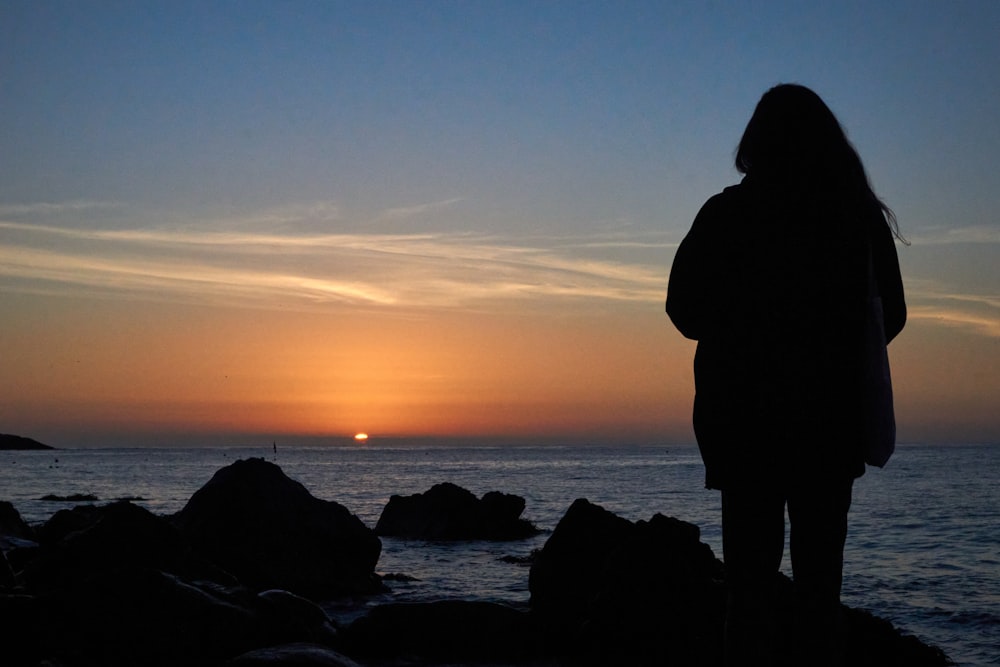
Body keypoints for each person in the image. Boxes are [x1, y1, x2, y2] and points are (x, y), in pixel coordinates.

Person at [665, 84, 906, 666]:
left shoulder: (727, 213)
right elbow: (891, 315)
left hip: (742, 427)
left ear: (756, 143)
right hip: (829, 427)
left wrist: (742, 328)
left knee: (747, 593)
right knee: (820, 592)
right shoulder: (855, 219)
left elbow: (683, 310)